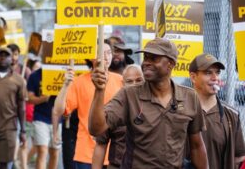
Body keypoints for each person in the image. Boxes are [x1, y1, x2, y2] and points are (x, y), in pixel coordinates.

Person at [88, 37, 208, 168]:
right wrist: (99, 91)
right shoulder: (129, 95)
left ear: (171, 64)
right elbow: (96, 129)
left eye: (154, 58)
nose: (146, 63)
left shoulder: (189, 97)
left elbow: (197, 146)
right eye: (146, 57)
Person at [52, 41, 123, 168]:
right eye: (101, 53)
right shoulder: (79, 82)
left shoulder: (120, 80)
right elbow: (59, 110)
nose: (106, 57)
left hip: (115, 151)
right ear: (91, 57)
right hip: (87, 153)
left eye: (109, 53)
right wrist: (66, 85)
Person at [189, 53, 245, 168]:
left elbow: (239, 158)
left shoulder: (231, 115)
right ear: (193, 77)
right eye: (208, 73)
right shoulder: (181, 111)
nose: (215, 78)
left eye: (217, 72)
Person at [92, 64, 144, 169]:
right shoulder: (113, 109)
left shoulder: (154, 106)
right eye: (129, 81)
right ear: (123, 83)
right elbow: (100, 145)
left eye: (139, 80)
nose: (134, 84)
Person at [27, 67, 60, 169]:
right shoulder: (34, 76)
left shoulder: (61, 73)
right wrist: (43, 98)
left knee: (54, 152)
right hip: (40, 118)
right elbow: (30, 99)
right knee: (42, 151)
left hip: (58, 120)